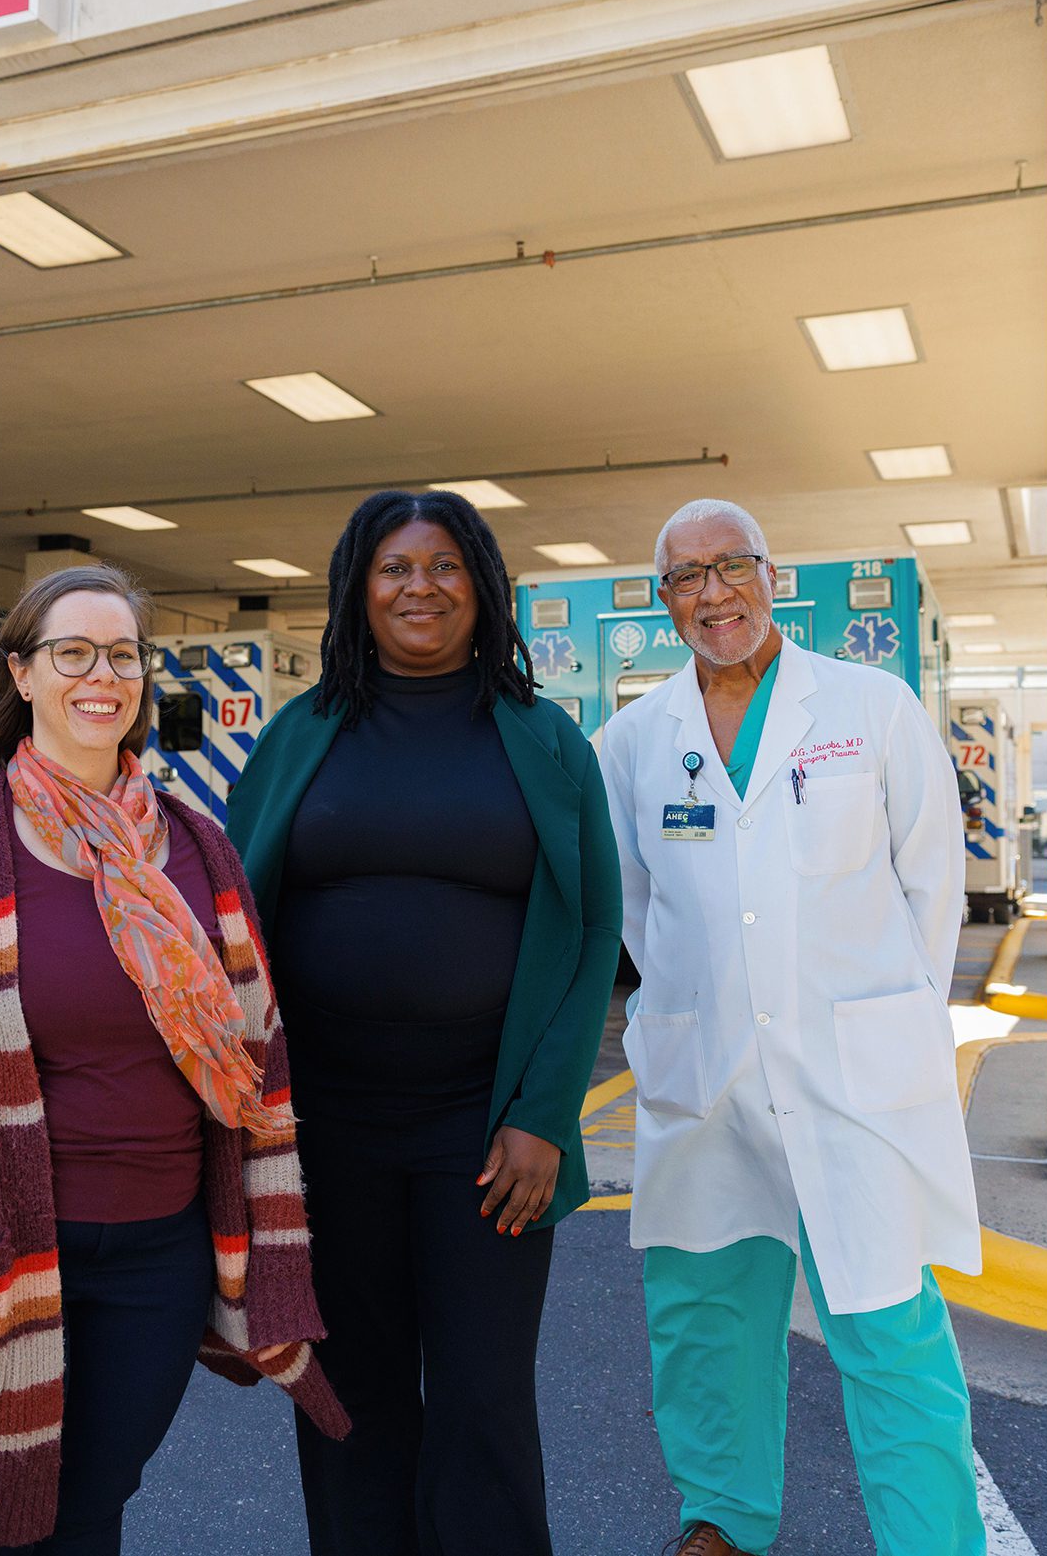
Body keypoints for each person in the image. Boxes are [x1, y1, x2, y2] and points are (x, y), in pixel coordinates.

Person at [0, 564, 348, 1555]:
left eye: (122, 654)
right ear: (23, 675)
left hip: (158, 1259)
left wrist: (272, 1255)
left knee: (87, 1513)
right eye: (73, 653)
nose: (100, 675)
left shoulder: (200, 853)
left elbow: (261, 1065)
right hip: (0, 1260)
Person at [225, 489, 622, 1556]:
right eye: (395, 568)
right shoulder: (302, 736)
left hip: (486, 1132)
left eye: (445, 566)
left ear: (483, 588)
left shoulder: (544, 742)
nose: (421, 587)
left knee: (484, 1399)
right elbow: (225, 922)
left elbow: (591, 935)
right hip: (325, 1131)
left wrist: (544, 1115)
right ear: (359, 589)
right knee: (348, 1398)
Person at [596, 499, 979, 1556]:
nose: (713, 593)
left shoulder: (872, 706)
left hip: (854, 1077)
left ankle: (936, 1544)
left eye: (732, 567)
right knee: (702, 1317)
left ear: (773, 575)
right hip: (705, 1075)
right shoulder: (634, 739)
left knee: (891, 1332)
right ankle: (720, 1527)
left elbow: (930, 887)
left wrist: (885, 1026)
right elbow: (633, 909)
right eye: (686, 576)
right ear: (664, 598)